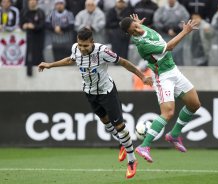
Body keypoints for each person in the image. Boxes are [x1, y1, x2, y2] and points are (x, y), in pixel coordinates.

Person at [38, 27, 153, 178]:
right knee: (106, 122)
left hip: (107, 91)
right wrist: (50, 65)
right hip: (90, 92)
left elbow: (124, 62)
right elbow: (70, 59)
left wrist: (142, 76)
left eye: (85, 45)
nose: (82, 48)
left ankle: (132, 160)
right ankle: (122, 143)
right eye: (80, 45)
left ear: (92, 42)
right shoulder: (76, 49)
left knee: (119, 126)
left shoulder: (103, 51)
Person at [120, 14, 201, 163]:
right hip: (163, 77)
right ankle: (144, 145)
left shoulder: (140, 27)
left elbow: (137, 26)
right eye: (134, 29)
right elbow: (169, 47)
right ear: (130, 33)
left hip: (174, 70)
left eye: (137, 25)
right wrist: (185, 31)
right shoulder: (142, 44)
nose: (138, 28)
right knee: (168, 112)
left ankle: (174, 135)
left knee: (194, 104)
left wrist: (137, 23)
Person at [20, 0, 45, 76]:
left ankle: (40, 70)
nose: (32, 2)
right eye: (31, 1)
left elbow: (42, 25)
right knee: (27, 54)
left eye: (34, 1)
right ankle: (28, 71)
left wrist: (34, 26)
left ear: (36, 2)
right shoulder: (24, 12)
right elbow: (21, 23)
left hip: (38, 37)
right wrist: (23, 26)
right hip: (27, 38)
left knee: (38, 54)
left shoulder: (40, 12)